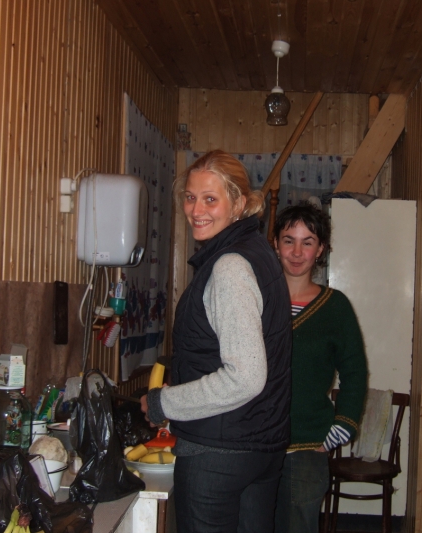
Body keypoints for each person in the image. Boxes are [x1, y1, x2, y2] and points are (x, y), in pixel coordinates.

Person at [140, 149, 292, 533]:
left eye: (210, 199)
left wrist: (164, 403)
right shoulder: (258, 252)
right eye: (190, 197)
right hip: (261, 446)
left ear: (238, 204)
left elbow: (245, 377)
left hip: (218, 454)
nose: (196, 210)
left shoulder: (229, 267)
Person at [272, 202, 368, 533]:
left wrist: (341, 428)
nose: (297, 252)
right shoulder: (255, 301)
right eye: (289, 240)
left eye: (308, 242)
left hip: (306, 449)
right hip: (253, 446)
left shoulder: (335, 307)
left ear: (320, 249)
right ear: (276, 244)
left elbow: (355, 372)